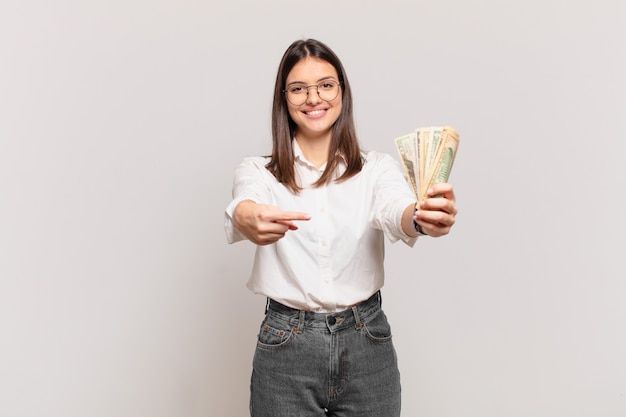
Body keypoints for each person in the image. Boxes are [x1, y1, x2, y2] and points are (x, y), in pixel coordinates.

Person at [224, 38, 457, 417]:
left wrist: (423, 217)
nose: (313, 98)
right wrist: (248, 217)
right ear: (284, 98)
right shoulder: (258, 171)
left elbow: (397, 210)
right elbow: (244, 205)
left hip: (368, 342)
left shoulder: (376, 168)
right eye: (299, 89)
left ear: (342, 92)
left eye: (326, 85)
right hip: (286, 347)